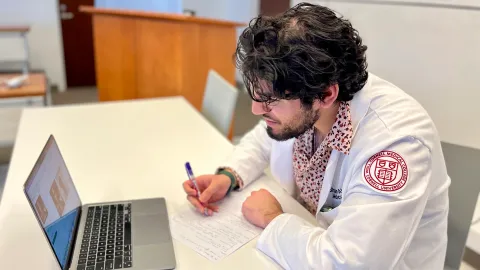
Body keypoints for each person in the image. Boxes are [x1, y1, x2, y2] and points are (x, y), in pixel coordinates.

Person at [182, 3, 450, 269]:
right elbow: (263, 138)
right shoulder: (310, 97)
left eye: (270, 99)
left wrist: (273, 219)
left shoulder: (395, 143)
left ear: (326, 95)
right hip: (304, 240)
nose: (254, 110)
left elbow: (351, 264)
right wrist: (229, 176)